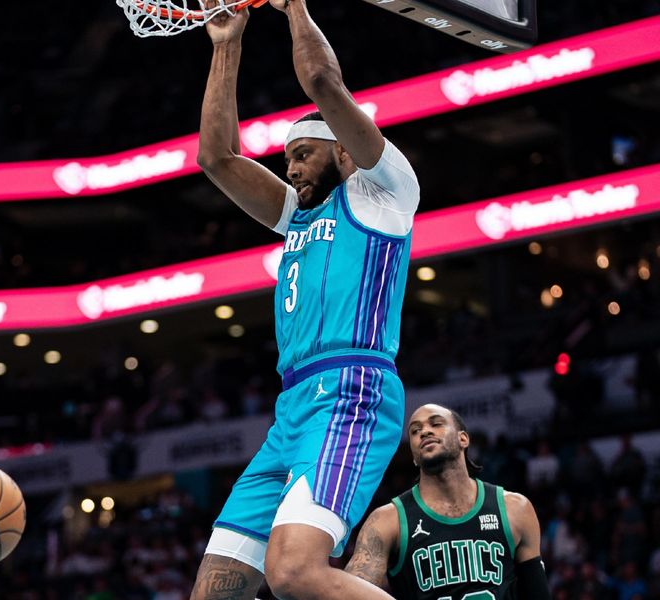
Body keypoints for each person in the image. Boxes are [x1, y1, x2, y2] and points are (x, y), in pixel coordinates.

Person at [191, 0, 420, 598]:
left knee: (293, 572)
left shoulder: (384, 195)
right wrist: (226, 45)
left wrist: (293, 5)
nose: (290, 169)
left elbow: (322, 79)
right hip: (291, 409)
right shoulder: (299, 216)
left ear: (342, 152)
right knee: (216, 592)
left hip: (352, 391)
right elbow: (216, 157)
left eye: (301, 155)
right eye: (286, 157)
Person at [345, 403, 551, 599]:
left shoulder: (515, 508)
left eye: (436, 424)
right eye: (415, 431)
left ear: (463, 439)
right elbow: (349, 595)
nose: (424, 432)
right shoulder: (388, 520)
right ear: (414, 457)